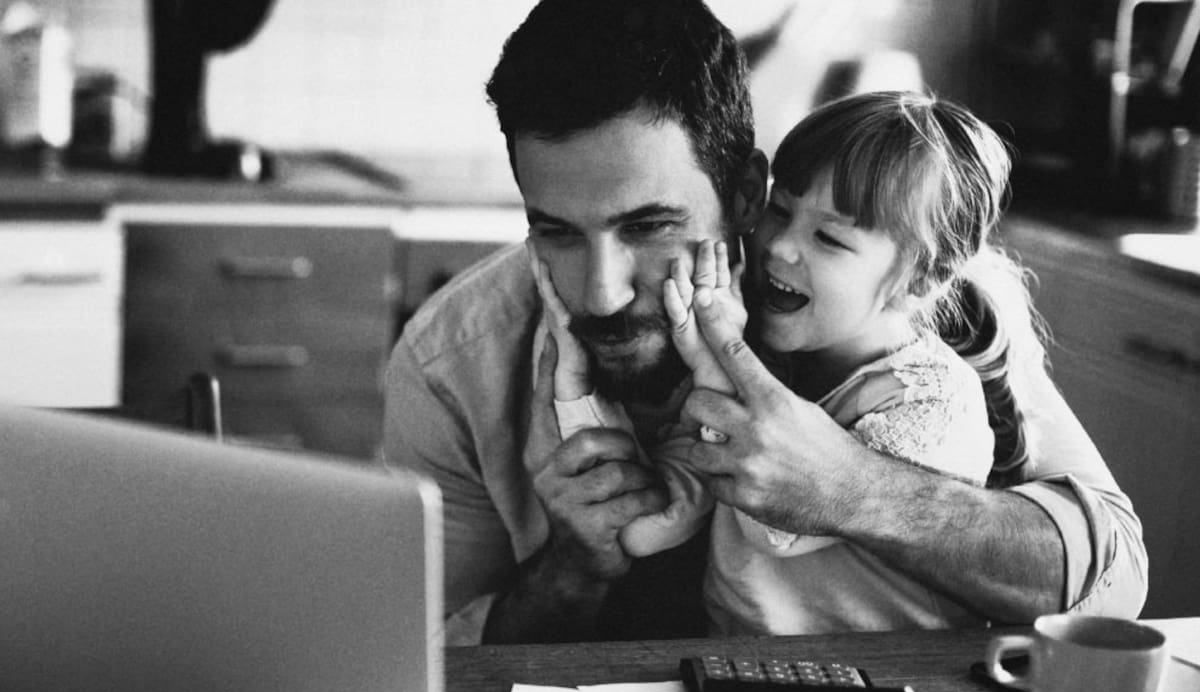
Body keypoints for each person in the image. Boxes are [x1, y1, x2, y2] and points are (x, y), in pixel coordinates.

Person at [382, 0, 1147, 645]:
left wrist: (851, 488)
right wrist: (572, 570)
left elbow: (1114, 579)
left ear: (748, 193)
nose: (604, 292)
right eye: (556, 231)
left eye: (649, 227)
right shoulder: (454, 361)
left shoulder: (898, 310)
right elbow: (421, 661)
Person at [542, 91, 1041, 633]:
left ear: (921, 280)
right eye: (781, 210)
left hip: (886, 684)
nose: (779, 246)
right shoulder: (774, 358)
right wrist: (572, 382)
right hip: (742, 673)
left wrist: (716, 367)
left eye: (828, 237)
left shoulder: (933, 402)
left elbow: (776, 523)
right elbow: (645, 529)